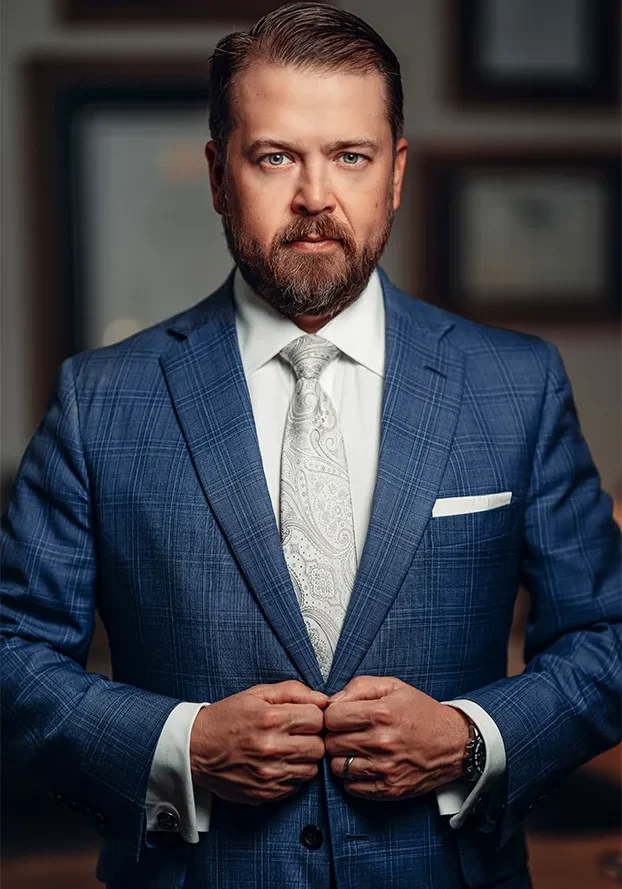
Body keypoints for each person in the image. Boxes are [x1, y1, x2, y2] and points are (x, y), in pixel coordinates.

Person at [1, 3, 620, 888]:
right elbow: (13, 652)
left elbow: (608, 635)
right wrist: (181, 745)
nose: (316, 196)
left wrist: (470, 737)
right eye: (276, 156)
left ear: (396, 173)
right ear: (219, 175)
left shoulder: (515, 385)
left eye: (351, 157)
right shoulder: (100, 400)